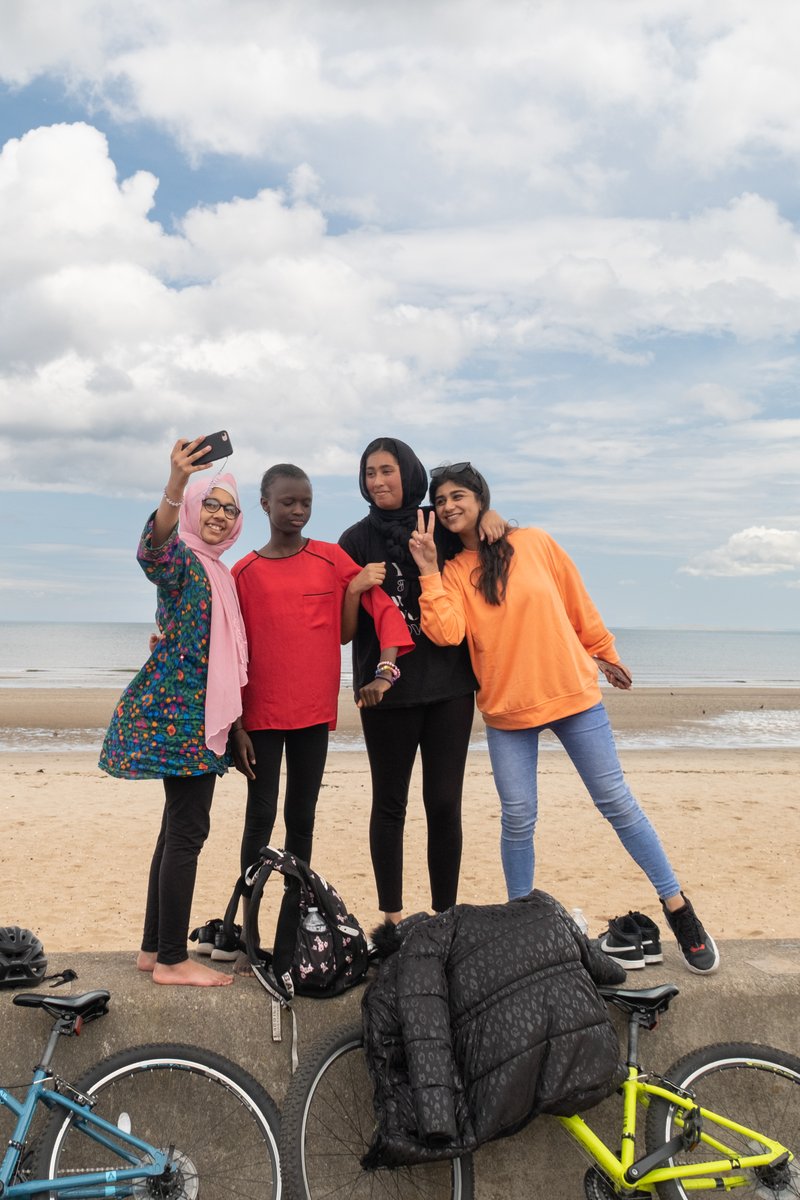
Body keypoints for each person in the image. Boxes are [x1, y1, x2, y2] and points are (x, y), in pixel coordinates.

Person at [409, 462, 719, 974]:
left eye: (458, 495)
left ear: (480, 498)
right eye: (440, 500)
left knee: (617, 802)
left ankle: (678, 907)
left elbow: (577, 602)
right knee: (517, 818)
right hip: (508, 709)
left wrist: (606, 651)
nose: (448, 506)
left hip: (572, 694)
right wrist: (427, 569)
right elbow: (446, 632)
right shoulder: (454, 571)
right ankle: (523, 924)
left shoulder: (534, 542)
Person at [229, 463, 413, 977]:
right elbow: (231, 650)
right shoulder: (243, 572)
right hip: (261, 716)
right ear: (264, 504)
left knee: (302, 821)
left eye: (306, 502)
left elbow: (383, 610)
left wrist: (386, 669)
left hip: (313, 714)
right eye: (288, 502)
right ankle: (248, 937)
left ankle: (290, 940)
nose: (298, 511)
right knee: (259, 819)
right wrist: (236, 725)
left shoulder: (331, 558)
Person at [99, 437, 248, 986]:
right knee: (188, 833)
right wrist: (176, 483)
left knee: (173, 832)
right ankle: (171, 959)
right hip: (180, 718)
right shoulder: (184, 560)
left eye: (228, 508)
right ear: (192, 508)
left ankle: (151, 949)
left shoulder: (219, 572)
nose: (218, 515)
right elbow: (153, 553)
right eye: (209, 504)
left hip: (190, 715)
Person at [338, 438, 504, 923]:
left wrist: (493, 517)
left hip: (450, 688)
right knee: (389, 804)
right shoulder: (354, 540)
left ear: (407, 473)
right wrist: (354, 589)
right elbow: (345, 632)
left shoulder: (438, 523)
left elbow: (476, 529)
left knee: (444, 804)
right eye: (369, 473)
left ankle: (444, 917)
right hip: (384, 692)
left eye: (386, 470)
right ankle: (391, 920)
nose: (377, 481)